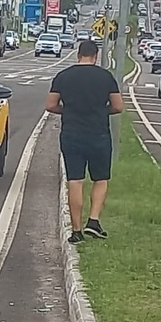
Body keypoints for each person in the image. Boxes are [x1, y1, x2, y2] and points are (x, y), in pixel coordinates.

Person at [46, 39, 124, 243]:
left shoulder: (63, 76)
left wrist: (68, 110)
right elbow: (118, 106)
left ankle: (77, 231)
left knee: (75, 180)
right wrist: (100, 111)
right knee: (100, 179)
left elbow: (51, 105)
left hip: (72, 134)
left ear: (78, 55)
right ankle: (94, 221)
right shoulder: (105, 77)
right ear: (96, 56)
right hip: (99, 134)